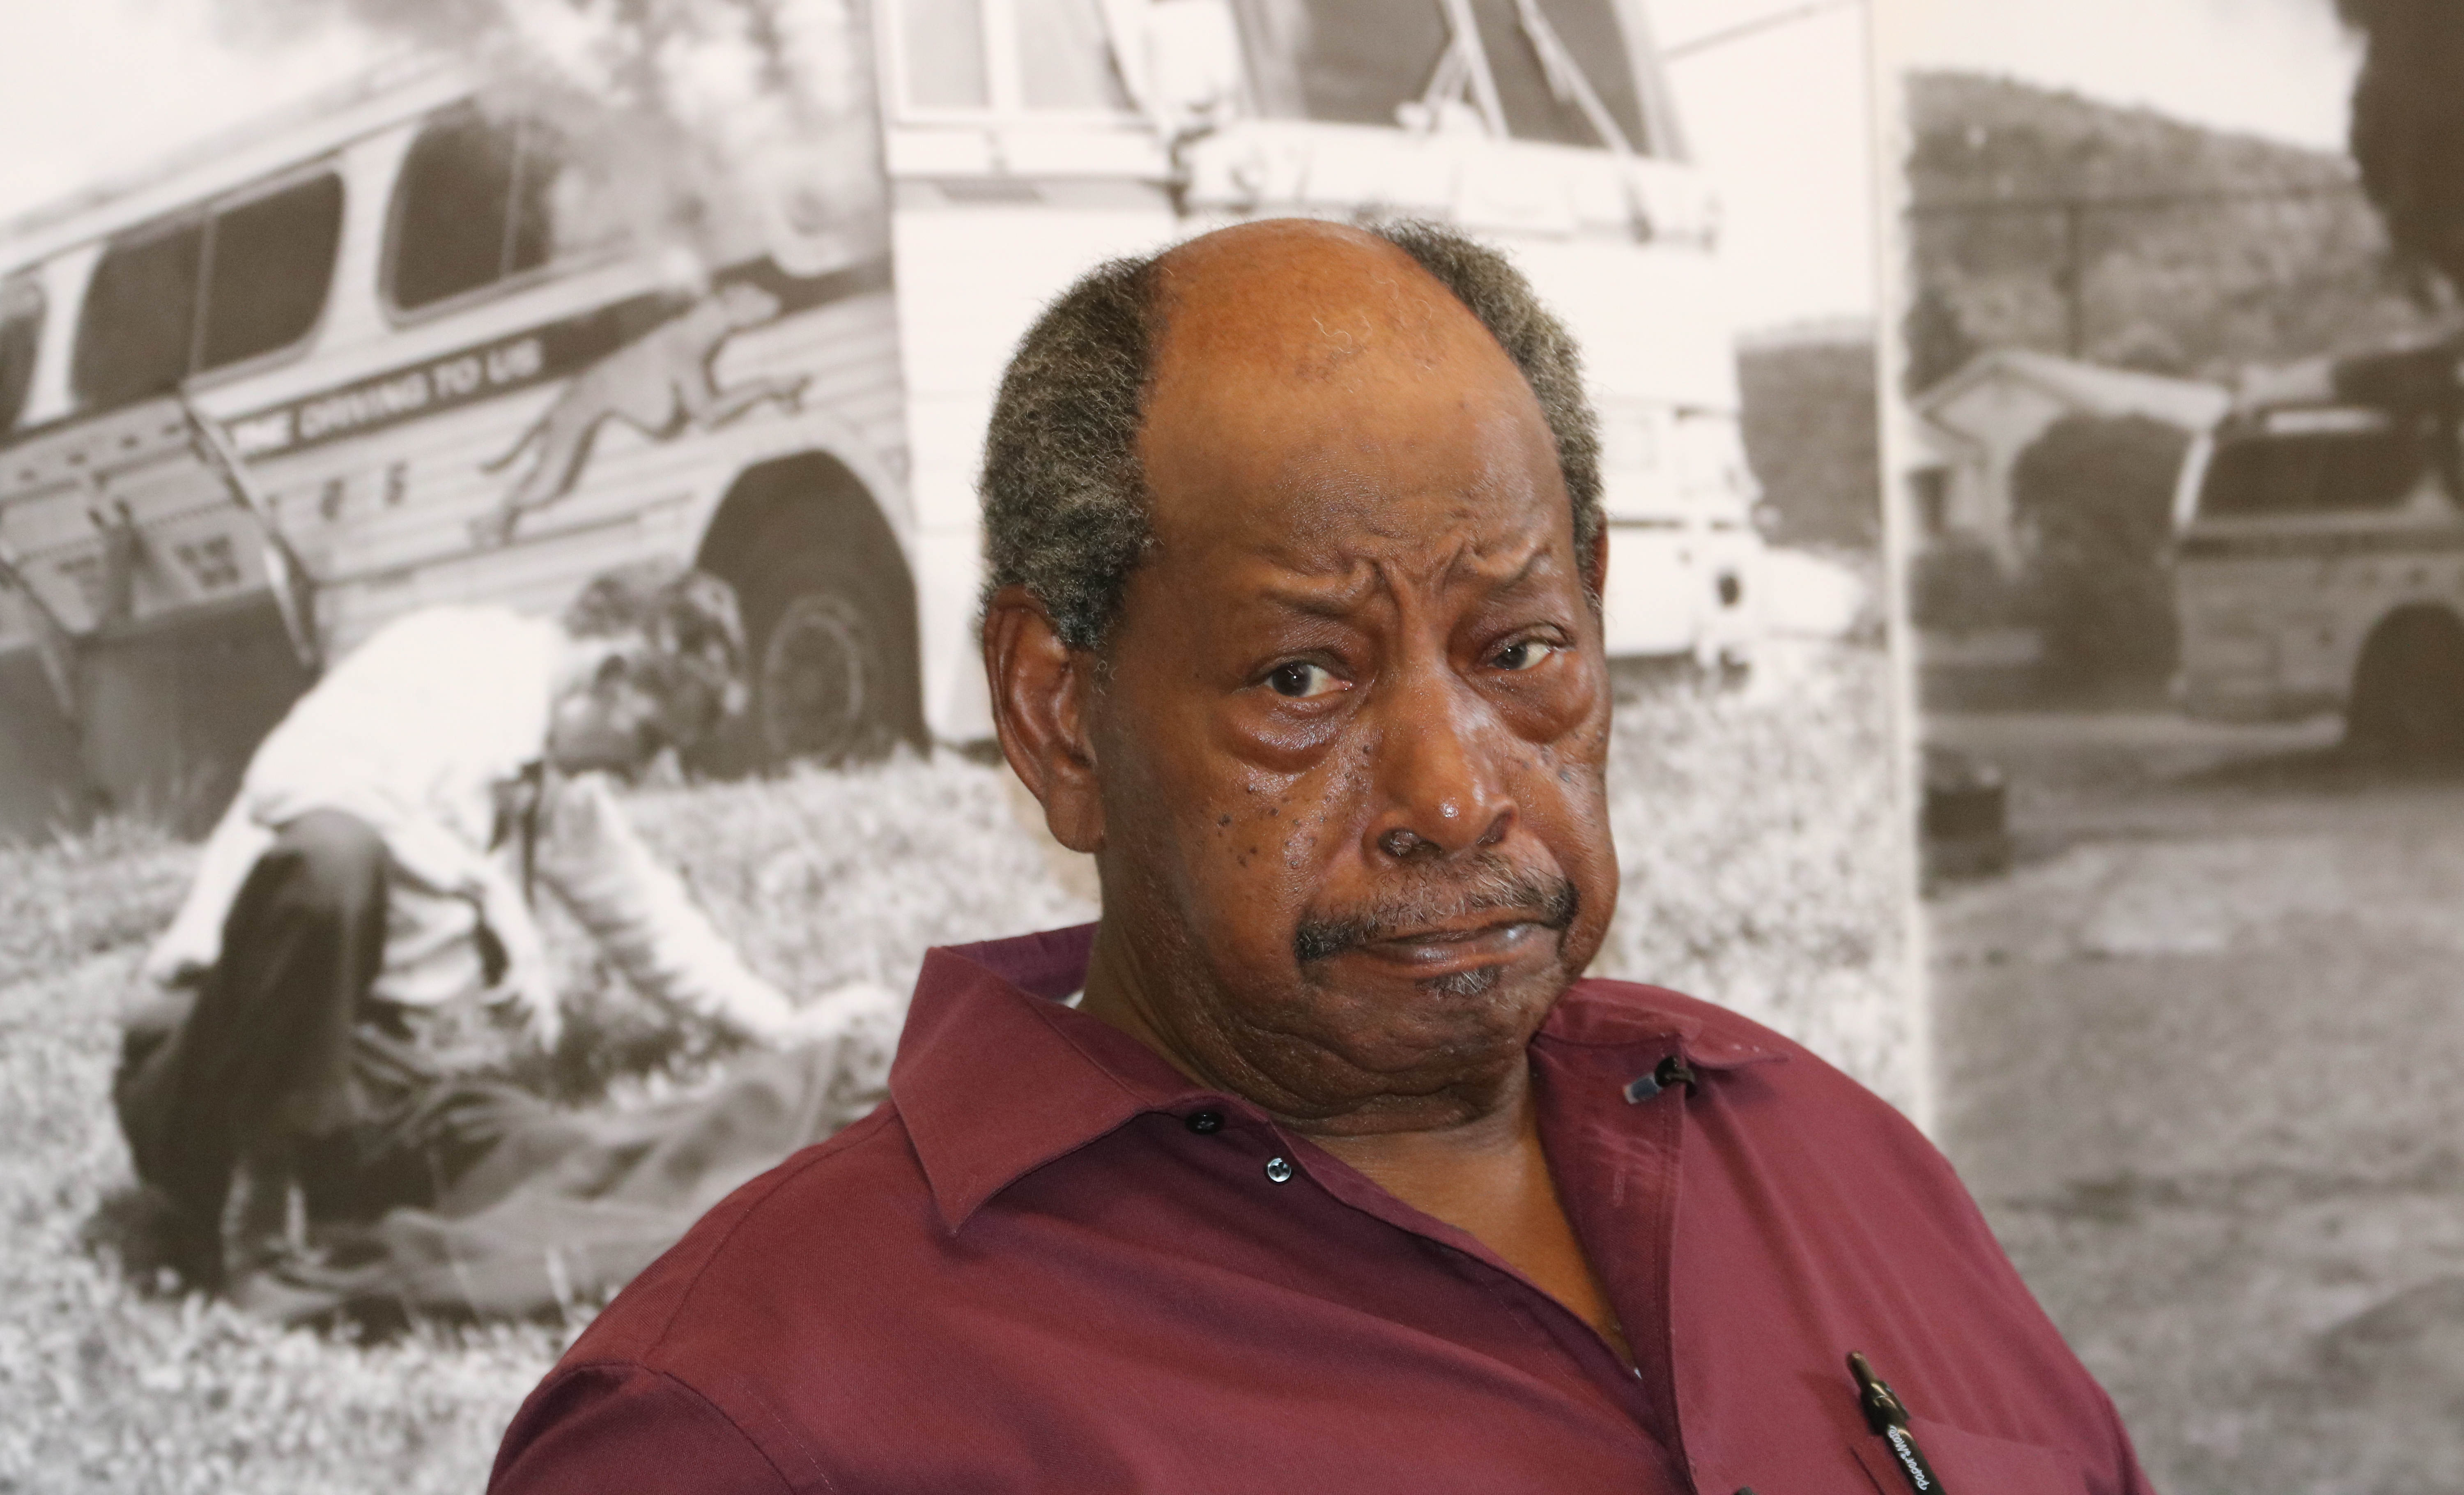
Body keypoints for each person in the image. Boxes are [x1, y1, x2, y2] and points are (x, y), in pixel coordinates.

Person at [490, 221, 2154, 1493]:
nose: (1453, 794)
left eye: (1518, 651)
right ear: (1060, 714)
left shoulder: (1822, 1152)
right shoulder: (753, 1420)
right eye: (1304, 678)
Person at [117, 563, 880, 1304]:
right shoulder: (442, 661)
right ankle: (261, 1230)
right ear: (610, 675)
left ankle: (824, 1131)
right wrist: (478, 885)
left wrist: (784, 1023)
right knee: (332, 853)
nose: (645, 771)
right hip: (216, 1068)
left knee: (565, 1157)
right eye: (649, 738)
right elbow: (288, 780)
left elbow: (641, 913)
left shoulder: (550, 769)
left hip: (369, 1080)